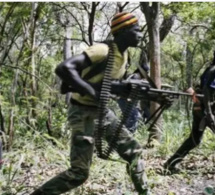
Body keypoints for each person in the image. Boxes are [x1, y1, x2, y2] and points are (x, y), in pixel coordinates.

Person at [30, 12, 150, 195]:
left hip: (102, 111)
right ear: (124, 31)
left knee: (134, 153)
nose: (140, 35)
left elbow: (108, 84)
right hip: (82, 112)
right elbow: (64, 68)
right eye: (137, 30)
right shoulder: (103, 50)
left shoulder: (123, 55)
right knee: (79, 173)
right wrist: (91, 91)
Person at [164, 51, 215, 172]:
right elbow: (207, 91)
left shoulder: (210, 69)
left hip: (200, 108)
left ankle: (170, 164)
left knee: (194, 139)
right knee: (194, 139)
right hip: (207, 110)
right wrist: (209, 114)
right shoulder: (213, 70)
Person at [117, 61, 150, 133]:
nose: (147, 74)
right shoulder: (136, 76)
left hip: (126, 100)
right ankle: (127, 136)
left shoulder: (138, 77)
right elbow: (133, 88)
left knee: (137, 116)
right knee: (134, 116)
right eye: (146, 72)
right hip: (125, 100)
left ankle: (123, 134)